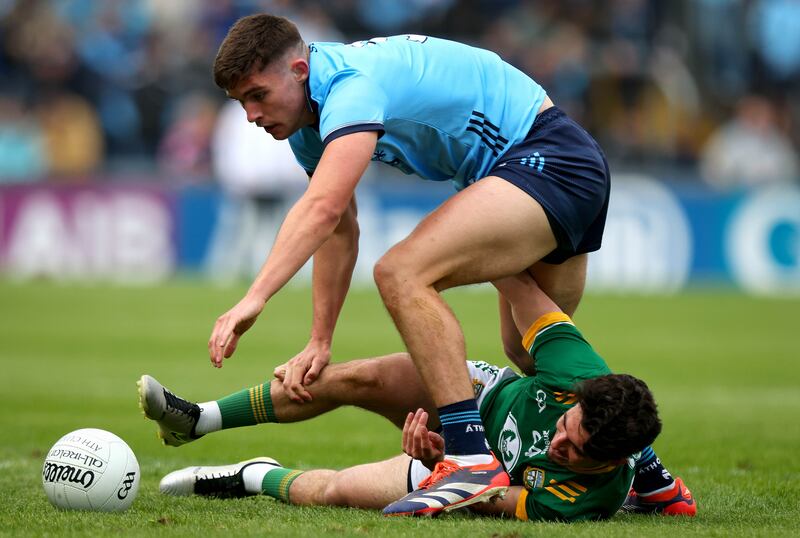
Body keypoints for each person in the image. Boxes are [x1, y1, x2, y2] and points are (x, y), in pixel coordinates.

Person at [207, 14, 613, 514]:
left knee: (401, 271)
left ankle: (469, 456)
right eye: (240, 102)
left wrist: (255, 297)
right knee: (527, 353)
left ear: (297, 69)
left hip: (546, 158)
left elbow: (322, 208)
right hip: (546, 166)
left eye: (257, 95)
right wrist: (320, 339)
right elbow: (340, 229)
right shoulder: (307, 122)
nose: (250, 114)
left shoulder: (350, 88)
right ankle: (654, 480)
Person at [142, 274, 695, 520]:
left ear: (611, 462)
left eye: (575, 450)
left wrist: (439, 460)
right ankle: (198, 420)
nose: (557, 443)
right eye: (565, 426)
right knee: (349, 377)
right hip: (480, 392)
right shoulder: (580, 373)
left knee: (334, 493)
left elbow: (486, 499)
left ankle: (252, 475)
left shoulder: (576, 502)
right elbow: (520, 283)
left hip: (475, 470)